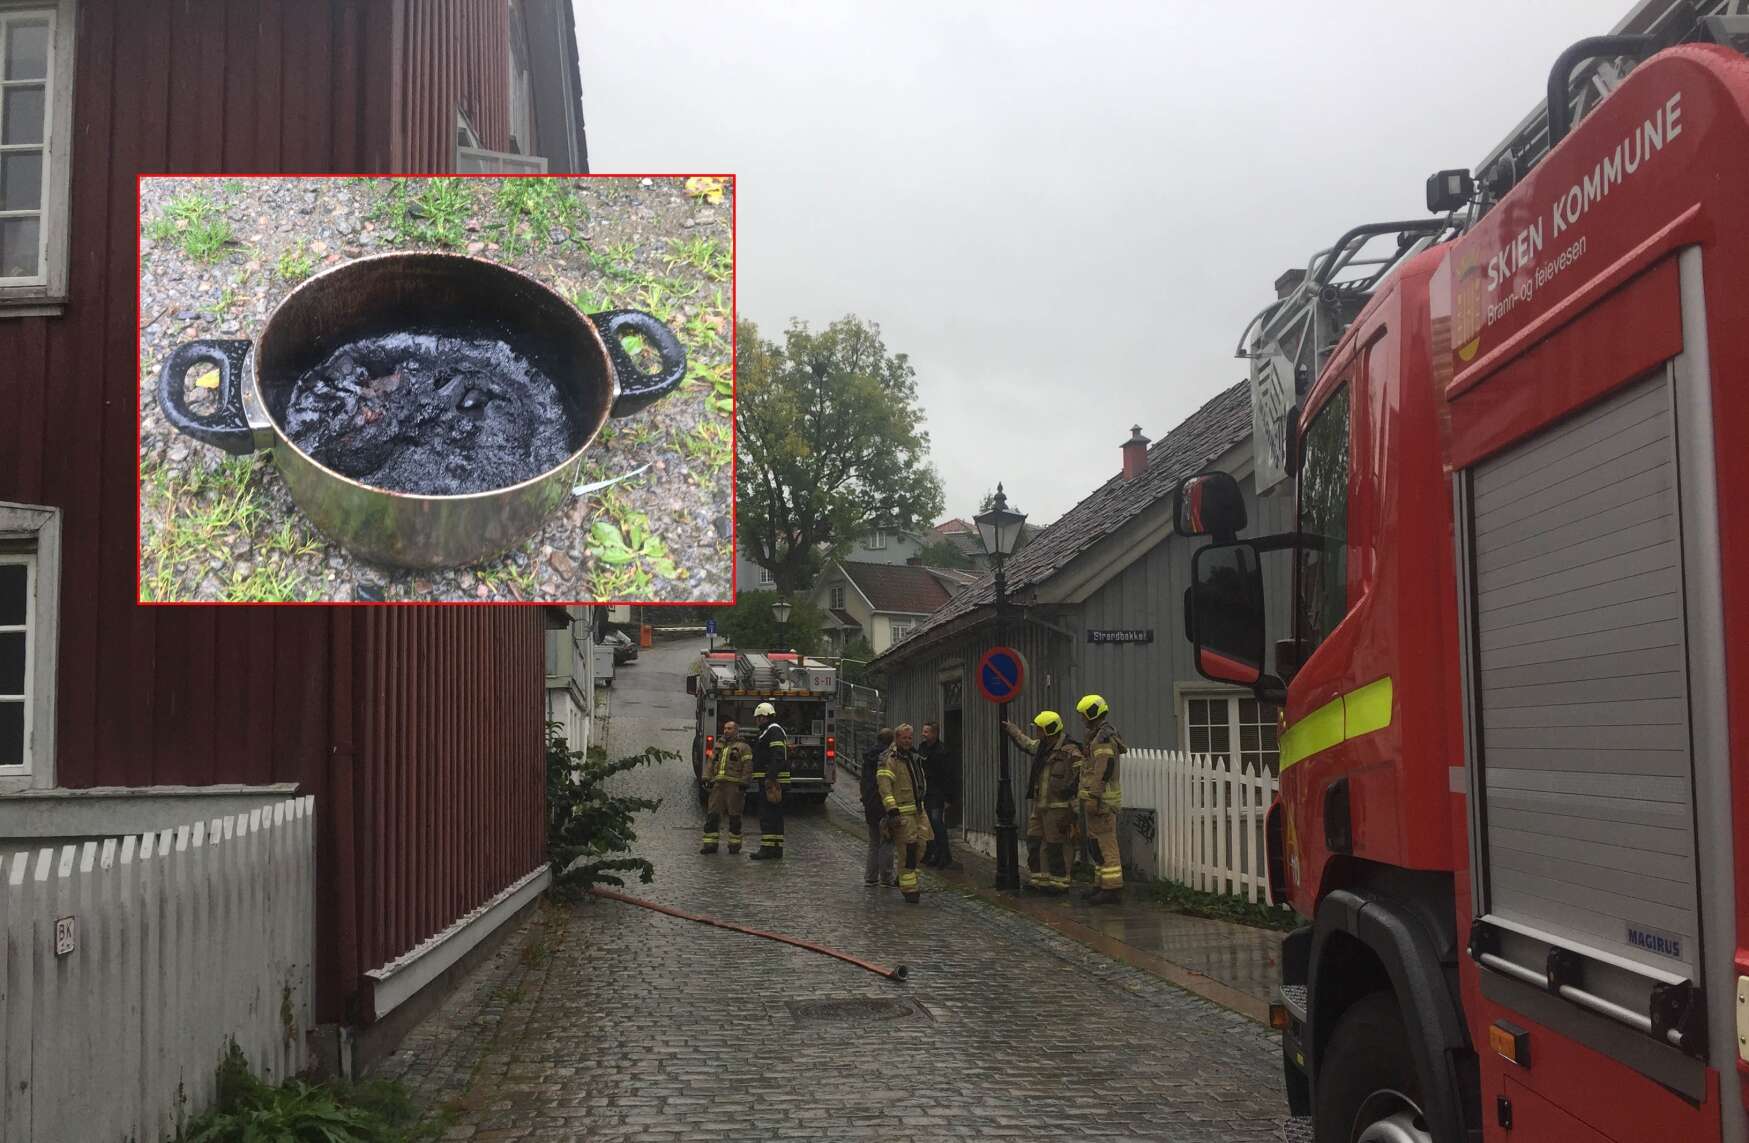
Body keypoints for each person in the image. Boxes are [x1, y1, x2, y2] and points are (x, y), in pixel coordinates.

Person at [1002, 711, 1081, 893]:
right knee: (1034, 841)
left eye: (1039, 729)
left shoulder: (1070, 751)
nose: (1037, 732)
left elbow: (1080, 778)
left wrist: (1073, 809)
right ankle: (1039, 880)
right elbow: (1027, 744)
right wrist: (1012, 730)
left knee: (1056, 846)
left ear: (1048, 730)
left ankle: (1060, 883)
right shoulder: (1042, 748)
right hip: (1040, 805)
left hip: (1059, 808)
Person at [1075, 694, 1126, 903]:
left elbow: (1103, 770)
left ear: (1092, 713)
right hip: (1097, 800)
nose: (1082, 719)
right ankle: (1101, 884)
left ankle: (1112, 889)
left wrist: (1094, 797)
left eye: (1084, 715)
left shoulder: (1103, 739)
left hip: (1102, 802)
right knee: (1096, 845)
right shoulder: (1097, 736)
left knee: (1106, 844)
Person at [875, 723, 933, 903]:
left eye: (909, 738)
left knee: (923, 845)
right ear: (896, 738)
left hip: (918, 810)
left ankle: (904, 876)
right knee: (908, 850)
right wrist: (892, 810)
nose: (907, 741)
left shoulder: (912, 756)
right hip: (902, 813)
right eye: (904, 738)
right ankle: (910, 889)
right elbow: (884, 786)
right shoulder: (890, 759)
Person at [700, 720, 754, 855]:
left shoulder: (743, 747)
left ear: (736, 731)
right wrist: (706, 777)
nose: (726, 731)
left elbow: (748, 766)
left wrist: (744, 783)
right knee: (713, 815)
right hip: (718, 785)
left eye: (729, 728)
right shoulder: (719, 745)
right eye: (725, 728)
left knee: (735, 817)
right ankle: (710, 844)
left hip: (734, 787)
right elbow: (710, 763)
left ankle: (734, 846)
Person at [748, 702, 788, 861]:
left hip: (772, 782)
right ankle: (776, 849)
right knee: (775, 815)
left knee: (767, 815)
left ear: (766, 717)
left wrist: (770, 777)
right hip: (772, 780)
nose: (757, 721)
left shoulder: (773, 731)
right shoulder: (769, 731)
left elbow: (778, 755)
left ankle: (767, 849)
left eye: (759, 718)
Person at [916, 721, 959, 869]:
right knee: (928, 824)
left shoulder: (943, 751)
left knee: (936, 823)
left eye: (926, 732)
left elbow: (949, 776)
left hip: (938, 793)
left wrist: (948, 798)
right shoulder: (922, 748)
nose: (923, 734)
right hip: (926, 792)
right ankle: (932, 854)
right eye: (923, 731)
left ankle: (944, 855)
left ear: (934, 734)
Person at [860, 728, 896, 886]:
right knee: (887, 840)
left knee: (874, 841)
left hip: (870, 803)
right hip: (884, 803)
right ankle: (886, 877)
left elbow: (863, 781)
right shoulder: (889, 758)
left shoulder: (868, 757)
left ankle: (870, 876)